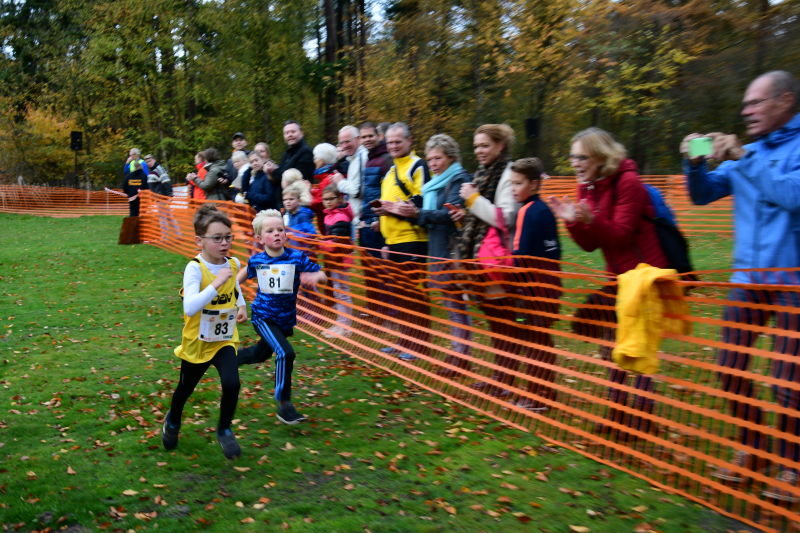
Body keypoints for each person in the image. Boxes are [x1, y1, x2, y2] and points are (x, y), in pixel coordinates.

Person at [680, 70, 800, 500]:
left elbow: (791, 194)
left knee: (788, 381)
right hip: (745, 280)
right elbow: (703, 193)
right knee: (731, 369)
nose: (746, 111)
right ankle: (754, 451)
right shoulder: (748, 151)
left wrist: (745, 158)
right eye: (745, 104)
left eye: (756, 103)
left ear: (785, 102)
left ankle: (792, 465)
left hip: (792, 284)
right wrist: (693, 162)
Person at [548, 127, 667, 441]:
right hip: (618, 278)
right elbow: (590, 244)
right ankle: (617, 411)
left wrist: (588, 220)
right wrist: (572, 221)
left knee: (636, 347)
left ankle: (642, 416)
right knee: (609, 345)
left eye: (581, 157)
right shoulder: (587, 186)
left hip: (645, 275)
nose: (575, 163)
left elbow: (620, 235)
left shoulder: (629, 182)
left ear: (601, 157)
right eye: (572, 157)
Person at [161, 204, 248, 460]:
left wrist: (241, 304)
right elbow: (190, 306)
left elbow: (234, 285)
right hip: (197, 342)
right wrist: (217, 283)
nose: (224, 243)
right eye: (217, 238)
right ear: (199, 240)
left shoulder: (232, 263)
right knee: (185, 389)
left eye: (228, 237)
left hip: (223, 339)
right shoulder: (195, 268)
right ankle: (173, 420)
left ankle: (224, 429)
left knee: (232, 383)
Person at [381, 133, 471, 374]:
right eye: (430, 159)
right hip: (437, 249)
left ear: (451, 157)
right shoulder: (436, 183)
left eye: (437, 158)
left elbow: (448, 214)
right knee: (452, 304)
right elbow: (432, 215)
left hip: (452, 252)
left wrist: (416, 214)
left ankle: (461, 355)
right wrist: (404, 210)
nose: (432, 164)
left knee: (455, 304)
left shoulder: (459, 179)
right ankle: (459, 353)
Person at [235, 209, 328, 424]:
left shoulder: (297, 257)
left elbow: (322, 274)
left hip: (285, 319)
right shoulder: (257, 260)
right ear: (259, 238)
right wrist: (231, 300)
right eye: (270, 231)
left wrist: (315, 277)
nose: (277, 233)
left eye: (281, 229)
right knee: (285, 353)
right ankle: (284, 405)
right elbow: (236, 282)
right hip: (263, 316)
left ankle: (231, 359)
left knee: (260, 354)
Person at [455, 124, 520, 394]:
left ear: (500, 145)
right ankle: (500, 376)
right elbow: (479, 214)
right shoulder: (482, 173)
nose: (479, 151)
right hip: (479, 257)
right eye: (476, 146)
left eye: (484, 145)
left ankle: (507, 379)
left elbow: (505, 217)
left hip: (498, 260)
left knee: (502, 320)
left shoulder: (508, 173)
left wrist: (472, 200)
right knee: (493, 319)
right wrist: (464, 214)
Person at [372, 122, 431, 362]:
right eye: (390, 142)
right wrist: (381, 220)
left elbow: (424, 199)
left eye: (398, 141)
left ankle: (420, 345)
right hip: (392, 240)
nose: (394, 146)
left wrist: (393, 210)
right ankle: (404, 339)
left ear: (409, 141)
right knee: (398, 293)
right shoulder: (390, 170)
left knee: (414, 294)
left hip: (413, 240)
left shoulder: (418, 166)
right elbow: (391, 204)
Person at [508, 158, 562, 411]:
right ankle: (545, 393)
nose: (513, 189)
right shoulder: (545, 210)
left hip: (533, 287)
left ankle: (537, 395)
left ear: (535, 183)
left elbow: (520, 255)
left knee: (533, 341)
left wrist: (514, 284)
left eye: (518, 184)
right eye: (511, 184)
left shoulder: (526, 212)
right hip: (551, 284)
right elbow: (555, 250)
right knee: (542, 339)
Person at [357, 122, 395, 322]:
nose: (367, 139)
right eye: (363, 137)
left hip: (379, 223)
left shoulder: (386, 159)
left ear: (378, 135)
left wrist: (381, 217)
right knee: (370, 269)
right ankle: (375, 309)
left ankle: (387, 311)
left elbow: (389, 191)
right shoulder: (369, 159)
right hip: (366, 221)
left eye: (370, 135)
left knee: (381, 269)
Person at [320, 184, 355, 339]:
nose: (327, 202)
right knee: (338, 291)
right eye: (325, 199)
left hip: (340, 260)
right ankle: (341, 323)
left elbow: (334, 244)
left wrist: (318, 243)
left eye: (331, 199)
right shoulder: (329, 215)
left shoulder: (340, 217)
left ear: (339, 198)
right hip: (333, 260)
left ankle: (345, 326)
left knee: (342, 292)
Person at [330, 125, 368, 225]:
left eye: (348, 141)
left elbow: (357, 191)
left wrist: (340, 182)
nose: (345, 146)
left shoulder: (362, 158)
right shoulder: (353, 158)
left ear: (358, 139)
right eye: (342, 143)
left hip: (362, 221)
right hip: (356, 219)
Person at [310, 143, 339, 234]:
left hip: (329, 225)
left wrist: (304, 198)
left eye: (314, 158)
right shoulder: (328, 176)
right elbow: (321, 194)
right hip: (330, 222)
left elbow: (319, 204)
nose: (313, 161)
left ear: (321, 161)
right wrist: (311, 191)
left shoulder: (327, 179)